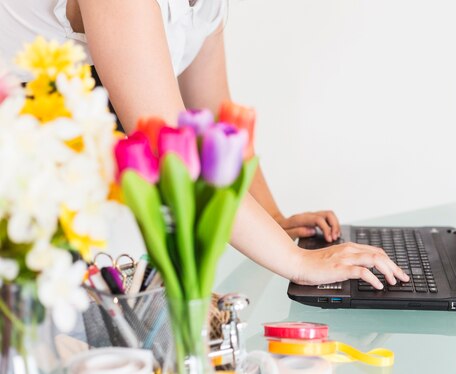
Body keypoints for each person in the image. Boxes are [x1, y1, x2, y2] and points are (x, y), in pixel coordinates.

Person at [0, 0, 409, 289]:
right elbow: (173, 149)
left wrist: (273, 218)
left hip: (46, 205)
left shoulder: (205, 6)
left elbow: (216, 124)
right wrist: (297, 261)